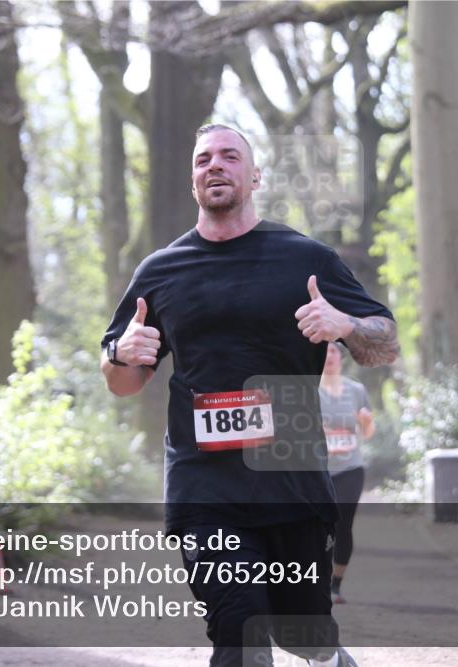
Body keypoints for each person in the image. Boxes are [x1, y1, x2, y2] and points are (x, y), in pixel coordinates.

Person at [100, 124, 399, 667]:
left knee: (303, 631)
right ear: (193, 180)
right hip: (204, 483)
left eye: (229, 156)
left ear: (254, 174)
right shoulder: (161, 271)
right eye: (203, 160)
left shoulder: (304, 259)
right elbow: (122, 382)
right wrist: (122, 353)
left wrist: (344, 323)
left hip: (291, 478)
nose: (214, 165)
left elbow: (386, 344)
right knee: (239, 629)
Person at [318, 342, 373, 605]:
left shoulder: (356, 390)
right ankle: (316, 580)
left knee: (342, 524)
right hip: (318, 469)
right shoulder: (309, 390)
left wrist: (366, 421)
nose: (329, 356)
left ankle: (335, 585)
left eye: (333, 351)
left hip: (351, 467)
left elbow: (368, 432)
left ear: (341, 358)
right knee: (317, 527)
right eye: (324, 351)